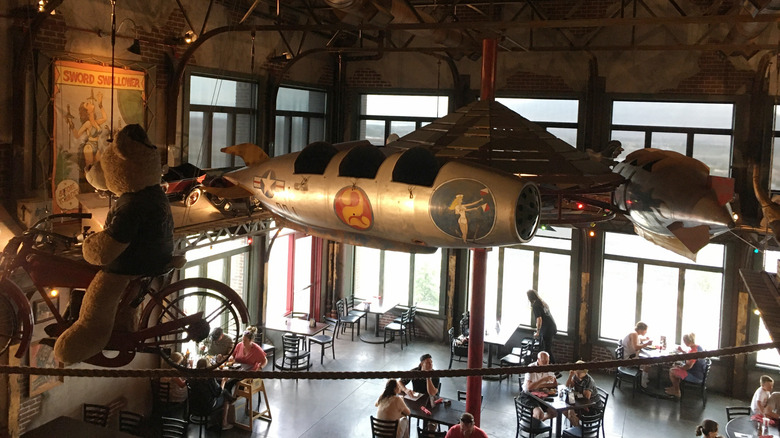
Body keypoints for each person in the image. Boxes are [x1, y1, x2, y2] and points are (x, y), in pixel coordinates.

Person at [188, 358, 236, 431]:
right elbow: (218, 393)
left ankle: (215, 420)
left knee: (224, 393)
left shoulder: (192, 377)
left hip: (193, 406)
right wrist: (223, 382)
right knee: (225, 396)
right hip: (207, 407)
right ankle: (224, 423)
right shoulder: (209, 378)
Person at [224, 327, 267, 394]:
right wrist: (231, 357)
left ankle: (230, 398)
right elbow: (232, 354)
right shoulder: (239, 345)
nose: (243, 342)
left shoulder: (257, 350)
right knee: (224, 378)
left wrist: (260, 368)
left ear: (251, 340)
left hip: (248, 373)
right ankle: (227, 397)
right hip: (237, 369)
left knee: (230, 382)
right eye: (242, 340)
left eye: (245, 341)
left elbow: (264, 361)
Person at [665, 333, 705, 398]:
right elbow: (690, 357)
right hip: (699, 374)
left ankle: (677, 392)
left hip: (695, 377)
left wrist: (680, 367)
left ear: (687, 341)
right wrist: (683, 351)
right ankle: (675, 388)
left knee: (672, 371)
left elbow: (689, 366)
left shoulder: (693, 351)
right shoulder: (698, 347)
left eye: (684, 341)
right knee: (675, 368)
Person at [521, 351, 557, 421]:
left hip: (541, 396)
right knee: (539, 413)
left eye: (547, 362)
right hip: (528, 396)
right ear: (538, 360)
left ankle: (539, 421)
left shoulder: (548, 367)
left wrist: (540, 385)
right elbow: (529, 388)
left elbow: (555, 384)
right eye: (543, 362)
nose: (545, 365)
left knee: (555, 412)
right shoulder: (531, 367)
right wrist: (543, 380)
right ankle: (534, 425)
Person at [564, 361, 602, 427]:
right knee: (565, 410)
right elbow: (568, 386)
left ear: (585, 371)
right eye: (576, 371)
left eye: (579, 372)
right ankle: (577, 427)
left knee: (571, 411)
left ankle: (579, 430)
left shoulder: (588, 381)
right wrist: (570, 376)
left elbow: (586, 399)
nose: (577, 373)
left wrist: (574, 394)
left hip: (593, 408)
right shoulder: (576, 377)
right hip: (582, 404)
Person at [527, 289, 557, 363]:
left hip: (547, 329)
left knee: (547, 350)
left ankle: (555, 368)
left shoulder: (535, 305)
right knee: (547, 349)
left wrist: (538, 331)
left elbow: (539, 319)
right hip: (552, 326)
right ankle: (551, 368)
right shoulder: (542, 302)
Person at [622, 321, 653, 388]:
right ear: (641, 330)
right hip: (629, 358)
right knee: (648, 363)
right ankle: (643, 382)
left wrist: (645, 339)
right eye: (645, 330)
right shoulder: (634, 334)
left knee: (648, 360)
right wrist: (646, 344)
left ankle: (644, 379)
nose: (646, 332)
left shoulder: (635, 334)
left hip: (630, 355)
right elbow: (635, 347)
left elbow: (638, 340)